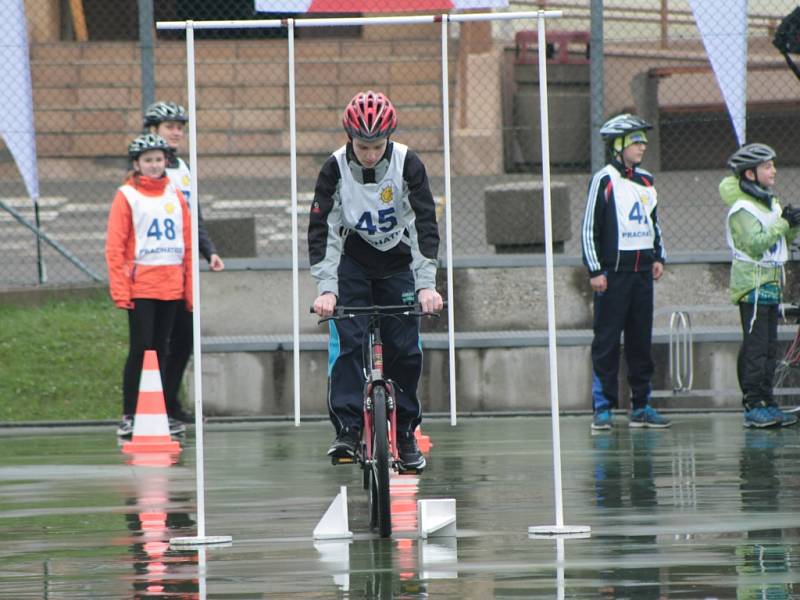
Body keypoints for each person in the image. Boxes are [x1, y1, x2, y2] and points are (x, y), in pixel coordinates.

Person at [308, 90, 443, 471]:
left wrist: (426, 284)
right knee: (347, 341)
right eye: (363, 146)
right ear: (350, 138)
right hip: (353, 262)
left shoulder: (408, 164)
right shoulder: (333, 169)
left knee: (406, 347)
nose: (370, 153)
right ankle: (348, 429)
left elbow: (424, 225)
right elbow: (324, 231)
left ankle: (403, 433)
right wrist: (327, 289)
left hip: (398, 261)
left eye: (377, 146)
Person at [581, 113, 670, 431]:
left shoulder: (646, 180)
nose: (642, 146)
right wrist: (595, 269)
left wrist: (658, 255)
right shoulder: (604, 180)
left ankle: (641, 404)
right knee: (606, 341)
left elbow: (652, 221)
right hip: (613, 275)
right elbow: (590, 227)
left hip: (641, 274)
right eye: (635, 141)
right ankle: (602, 406)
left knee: (640, 341)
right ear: (618, 145)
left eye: (644, 141)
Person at [143, 101, 225, 431]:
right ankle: (152, 406)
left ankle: (169, 402)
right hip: (157, 267)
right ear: (153, 131)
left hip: (184, 265)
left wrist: (208, 250)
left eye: (180, 126)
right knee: (158, 340)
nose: (176, 131)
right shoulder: (147, 170)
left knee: (184, 337)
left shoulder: (182, 168)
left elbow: (193, 214)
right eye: (169, 126)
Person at [105, 133, 193, 437]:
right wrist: (120, 289)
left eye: (159, 160)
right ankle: (130, 413)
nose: (154, 165)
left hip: (171, 285)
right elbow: (115, 247)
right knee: (141, 349)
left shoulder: (175, 195)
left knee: (163, 350)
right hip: (141, 286)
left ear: (166, 162)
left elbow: (187, 243)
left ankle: (161, 411)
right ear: (136, 164)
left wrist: (189, 290)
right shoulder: (127, 196)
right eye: (148, 160)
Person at [720, 143, 800, 428]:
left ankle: (768, 400)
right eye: (767, 166)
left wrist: (792, 225)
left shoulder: (770, 202)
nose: (773, 170)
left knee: (769, 349)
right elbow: (754, 245)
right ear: (750, 174)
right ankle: (753, 404)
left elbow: (779, 240)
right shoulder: (742, 209)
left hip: (770, 284)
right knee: (755, 349)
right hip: (751, 286)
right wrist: (781, 224)